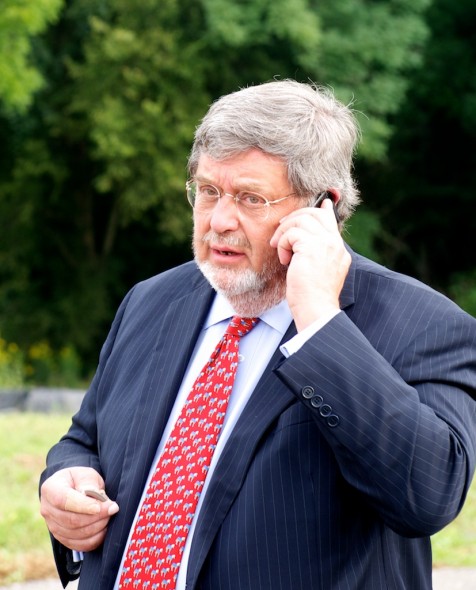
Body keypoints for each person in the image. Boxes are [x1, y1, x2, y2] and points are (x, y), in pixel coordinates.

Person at [40, 79, 476, 590]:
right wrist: (66, 482)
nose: (218, 221)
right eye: (207, 192)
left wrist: (319, 321)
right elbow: (85, 438)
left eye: (250, 198)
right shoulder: (151, 301)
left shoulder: (421, 324)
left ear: (323, 208)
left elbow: (427, 496)